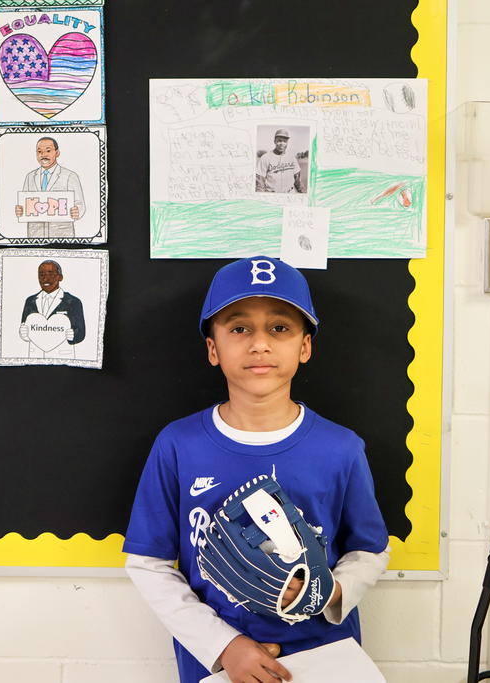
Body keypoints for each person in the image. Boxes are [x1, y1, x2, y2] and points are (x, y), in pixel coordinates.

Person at [124, 257, 390, 683]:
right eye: (239, 328)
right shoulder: (177, 445)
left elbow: (370, 550)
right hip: (220, 667)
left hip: (325, 659)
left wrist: (331, 591)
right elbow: (148, 563)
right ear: (213, 348)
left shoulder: (341, 448)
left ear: (305, 346)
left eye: (280, 328)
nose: (259, 344)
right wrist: (223, 647)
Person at [13, 137, 86, 239]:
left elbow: (80, 203)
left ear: (57, 153)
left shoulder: (69, 176)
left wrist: (77, 211)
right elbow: (25, 203)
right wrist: (20, 210)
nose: (43, 155)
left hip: (62, 235)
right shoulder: (30, 177)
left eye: (48, 150)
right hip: (35, 235)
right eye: (39, 151)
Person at [19, 260, 86, 358]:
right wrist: (24, 334)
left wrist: (73, 335)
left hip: (63, 356)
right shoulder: (30, 301)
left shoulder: (73, 301)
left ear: (60, 277)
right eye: (41, 275)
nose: (46, 279)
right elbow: (24, 324)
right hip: (35, 356)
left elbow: (81, 332)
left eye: (51, 275)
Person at [256, 129, 303, 193]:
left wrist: (303, 194)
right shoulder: (265, 158)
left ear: (287, 143)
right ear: (274, 141)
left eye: (284, 141)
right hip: (272, 194)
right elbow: (260, 182)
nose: (282, 143)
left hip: (290, 193)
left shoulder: (292, 158)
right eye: (279, 141)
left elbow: (298, 180)